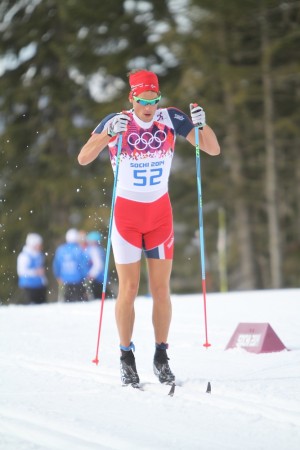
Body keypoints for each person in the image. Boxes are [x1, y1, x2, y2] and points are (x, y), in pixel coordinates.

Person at [78, 69, 220, 387]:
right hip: (127, 219)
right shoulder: (117, 121)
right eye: (143, 100)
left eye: (154, 100)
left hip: (159, 217)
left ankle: (161, 356)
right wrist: (106, 135)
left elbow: (212, 149)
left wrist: (201, 123)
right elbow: (84, 158)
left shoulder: (171, 119)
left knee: (161, 291)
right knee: (128, 289)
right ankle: (126, 357)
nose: (149, 107)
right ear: (132, 98)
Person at [52, 228, 90, 302]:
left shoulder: (61, 250)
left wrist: (58, 276)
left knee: (67, 303)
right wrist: (86, 275)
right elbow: (83, 265)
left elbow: (56, 265)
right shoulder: (79, 249)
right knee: (80, 302)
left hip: (65, 281)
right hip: (78, 281)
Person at [17, 233, 47, 304]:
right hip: (28, 287)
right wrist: (35, 272)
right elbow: (21, 271)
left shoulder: (39, 255)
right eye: (38, 245)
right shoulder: (24, 256)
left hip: (39, 287)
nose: (40, 247)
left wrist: (44, 281)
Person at [85, 231, 106, 299]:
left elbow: (98, 265)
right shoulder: (99, 250)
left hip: (96, 279)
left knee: (95, 299)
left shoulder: (94, 250)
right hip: (100, 278)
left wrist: (91, 275)